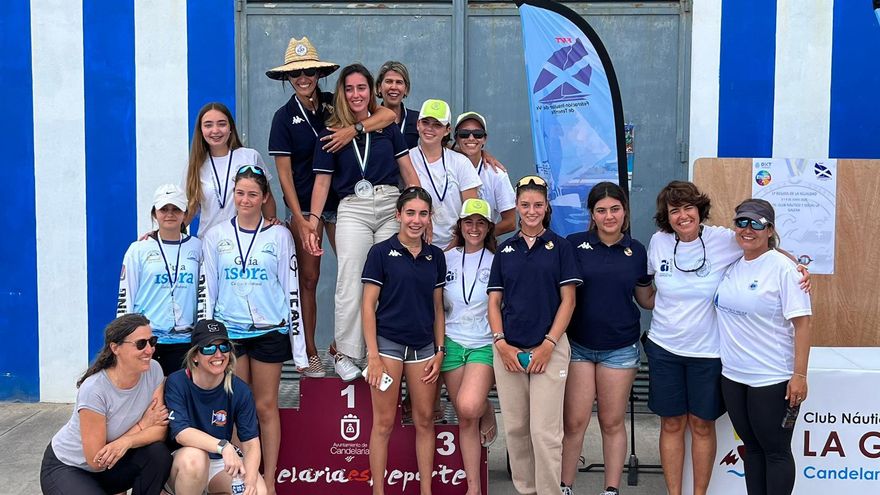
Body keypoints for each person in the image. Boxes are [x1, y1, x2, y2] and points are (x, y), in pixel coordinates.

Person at [644, 181, 808, 495]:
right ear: (667, 216)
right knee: (672, 424)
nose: (682, 216)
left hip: (708, 352)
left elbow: (765, 248)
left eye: (688, 208)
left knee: (702, 425)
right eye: (674, 210)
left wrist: (797, 266)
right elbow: (648, 287)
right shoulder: (658, 242)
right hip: (665, 348)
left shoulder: (722, 239)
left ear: (699, 210)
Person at [266, 37, 395, 378]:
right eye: (296, 74)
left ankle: (351, 347)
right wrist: (301, 218)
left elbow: (385, 115)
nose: (304, 77)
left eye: (309, 71)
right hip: (307, 206)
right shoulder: (283, 118)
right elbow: (284, 176)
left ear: (319, 74)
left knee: (361, 271)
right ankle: (310, 352)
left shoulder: (331, 104)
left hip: (344, 203)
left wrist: (353, 130)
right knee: (309, 278)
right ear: (287, 79)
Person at [305, 63, 420, 381]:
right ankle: (343, 352)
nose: (356, 94)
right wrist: (313, 224)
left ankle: (379, 351)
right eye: (349, 88)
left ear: (372, 91)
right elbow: (322, 183)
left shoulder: (386, 125)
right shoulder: (329, 133)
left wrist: (421, 208)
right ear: (341, 92)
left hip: (388, 204)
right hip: (352, 207)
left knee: (389, 277)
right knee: (350, 277)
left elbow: (408, 171)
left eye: (362, 88)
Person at [202, 165, 306, 493]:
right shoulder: (216, 236)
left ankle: (270, 479)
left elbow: (292, 290)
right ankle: (242, 479)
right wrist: (207, 336)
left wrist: (299, 346)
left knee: (265, 406)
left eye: (252, 194)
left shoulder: (279, 235)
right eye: (240, 193)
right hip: (230, 334)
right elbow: (209, 290)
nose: (245, 200)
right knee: (235, 407)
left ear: (264, 198)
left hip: (269, 331)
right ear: (233, 196)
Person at [488, 175, 581, 494]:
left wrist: (548, 345)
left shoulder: (561, 248)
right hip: (508, 350)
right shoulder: (505, 250)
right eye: (525, 205)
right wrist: (500, 344)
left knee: (545, 432)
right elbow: (494, 302)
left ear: (547, 207)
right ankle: (526, 490)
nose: (531, 211)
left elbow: (568, 301)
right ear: (516, 206)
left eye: (537, 205)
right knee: (516, 429)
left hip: (549, 348)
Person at [561, 182, 653, 495]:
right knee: (574, 423)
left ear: (624, 212)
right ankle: (565, 486)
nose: (609, 215)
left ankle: (610, 489)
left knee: (612, 422)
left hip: (620, 349)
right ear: (592, 214)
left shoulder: (637, 250)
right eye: (601, 210)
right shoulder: (573, 245)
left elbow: (646, 299)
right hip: (578, 347)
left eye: (615, 209)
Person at [714, 199, 812, 495]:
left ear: (770, 230)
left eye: (757, 224)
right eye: (742, 222)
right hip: (733, 376)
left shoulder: (785, 270)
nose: (748, 229)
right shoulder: (732, 263)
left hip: (771, 377)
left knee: (776, 451)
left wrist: (800, 376)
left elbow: (803, 324)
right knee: (752, 448)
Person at [361, 187, 446, 495]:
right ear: (398, 215)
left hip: (423, 348)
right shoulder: (381, 252)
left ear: (429, 218)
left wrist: (439, 350)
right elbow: (368, 306)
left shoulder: (435, 256)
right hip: (388, 347)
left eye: (423, 213)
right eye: (410, 213)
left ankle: (426, 491)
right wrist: (373, 355)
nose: (416, 220)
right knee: (383, 423)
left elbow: (437, 307)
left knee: (424, 421)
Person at [40, 314, 171, 495]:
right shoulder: (94, 390)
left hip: (113, 465)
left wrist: (127, 441)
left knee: (157, 455)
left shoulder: (154, 370)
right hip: (70, 467)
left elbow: (159, 430)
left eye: (152, 341)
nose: (149, 350)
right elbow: (96, 459)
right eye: (141, 344)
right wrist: (141, 426)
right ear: (115, 347)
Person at [164, 319, 268, 495]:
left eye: (224, 347)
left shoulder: (239, 389)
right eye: (209, 348)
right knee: (195, 459)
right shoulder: (178, 381)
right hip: (184, 460)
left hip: (220, 463)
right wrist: (224, 446)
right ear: (195, 355)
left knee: (257, 491)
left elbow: (251, 444)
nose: (218, 355)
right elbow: (182, 433)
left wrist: (249, 481)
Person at [441, 198, 499, 495]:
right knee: (466, 418)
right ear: (460, 225)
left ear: (488, 227)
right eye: (468, 222)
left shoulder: (497, 260)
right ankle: (473, 488)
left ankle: (486, 407)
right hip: (451, 341)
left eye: (480, 223)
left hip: (483, 344)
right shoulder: (445, 258)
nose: (473, 228)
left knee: (468, 405)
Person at [117, 184, 202, 376]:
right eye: (164, 209)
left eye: (176, 209)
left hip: (185, 342)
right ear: (154, 213)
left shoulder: (198, 248)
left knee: (179, 400)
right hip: (148, 342)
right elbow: (126, 296)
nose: (169, 214)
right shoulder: (138, 249)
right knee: (148, 401)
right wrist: (124, 339)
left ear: (185, 213)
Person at [185, 102, 277, 236]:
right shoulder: (195, 165)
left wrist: (271, 227)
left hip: (247, 240)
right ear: (201, 130)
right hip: (209, 243)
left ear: (230, 128)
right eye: (208, 125)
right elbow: (190, 208)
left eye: (222, 124)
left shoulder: (250, 156)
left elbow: (266, 198)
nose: (215, 130)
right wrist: (159, 236)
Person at [409, 99, 482, 249]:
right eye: (425, 122)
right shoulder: (407, 159)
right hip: (416, 247)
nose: (429, 129)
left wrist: (450, 250)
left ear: (447, 129)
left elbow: (471, 213)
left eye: (437, 125)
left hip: (456, 247)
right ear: (417, 124)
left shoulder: (460, 162)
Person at [453, 111, 516, 236]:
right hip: (445, 245)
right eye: (464, 134)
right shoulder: (445, 164)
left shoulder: (497, 174)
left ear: (485, 139)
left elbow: (510, 222)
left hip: (482, 248)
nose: (471, 138)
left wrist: (481, 237)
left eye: (478, 134)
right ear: (456, 138)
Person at [376, 61, 419, 149]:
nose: (394, 87)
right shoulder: (370, 119)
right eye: (389, 81)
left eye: (399, 82)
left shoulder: (417, 119)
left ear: (406, 89)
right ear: (379, 87)